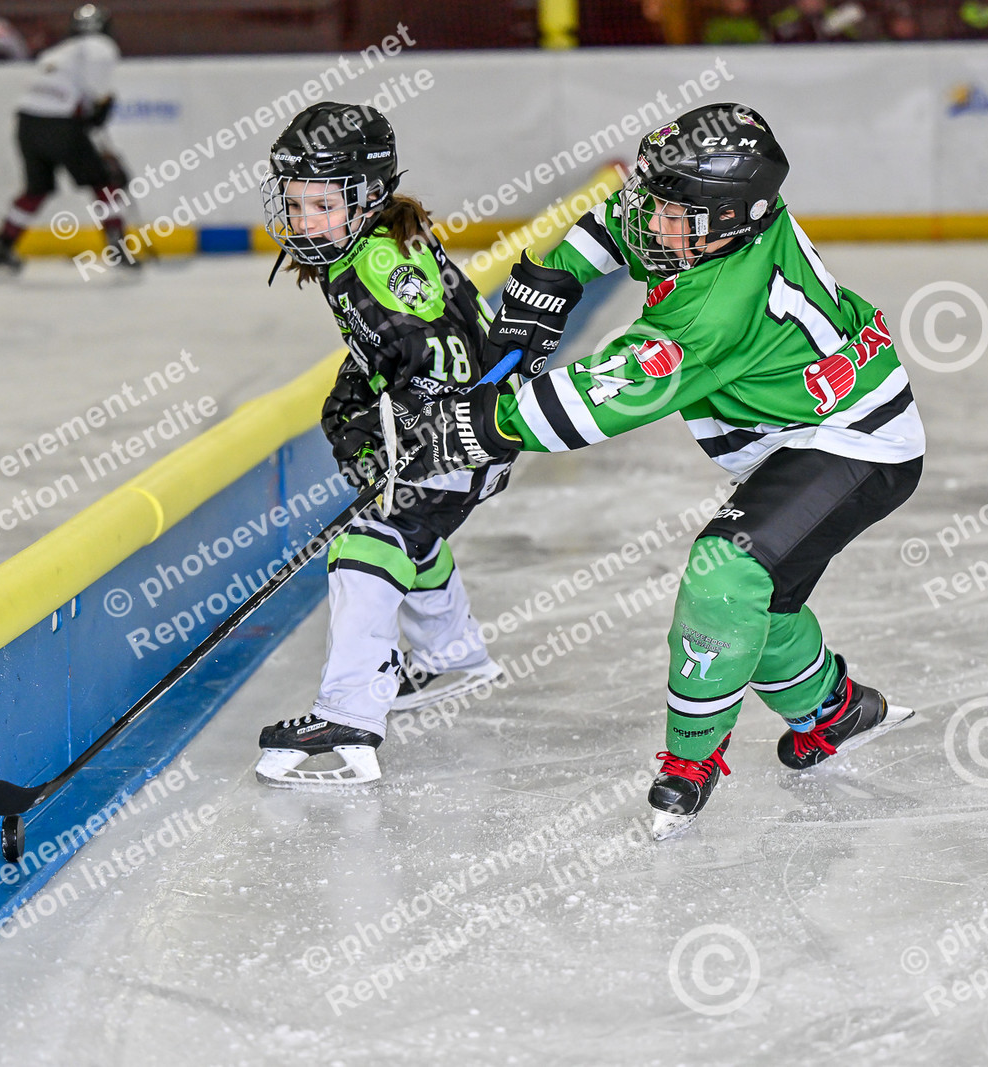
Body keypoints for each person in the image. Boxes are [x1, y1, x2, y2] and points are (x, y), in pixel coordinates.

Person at [390, 103, 925, 838]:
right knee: (763, 606)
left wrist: (476, 425)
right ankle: (834, 711)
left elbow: (603, 396)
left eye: (674, 213)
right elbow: (621, 219)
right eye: (657, 201)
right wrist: (553, 278)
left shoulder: (714, 306)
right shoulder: (705, 229)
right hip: (807, 425)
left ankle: (690, 761)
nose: (651, 222)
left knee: (727, 573)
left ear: (730, 221)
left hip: (856, 440)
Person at [251, 102, 573, 787]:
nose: (304, 221)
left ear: (367, 196)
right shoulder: (363, 244)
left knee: (369, 542)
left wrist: (412, 419)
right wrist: (356, 399)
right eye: (296, 203)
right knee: (413, 532)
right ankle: (451, 656)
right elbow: (388, 344)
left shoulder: (381, 259)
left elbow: (442, 349)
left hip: (464, 434)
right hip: (469, 430)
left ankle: (348, 715)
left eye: (321, 205)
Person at [0, 4, 126, 274]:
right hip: (61, 122)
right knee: (103, 184)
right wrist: (101, 109)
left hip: (27, 123)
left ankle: (1, 247)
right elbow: (97, 95)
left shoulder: (56, 52)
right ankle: (118, 248)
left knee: (36, 189)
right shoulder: (101, 47)